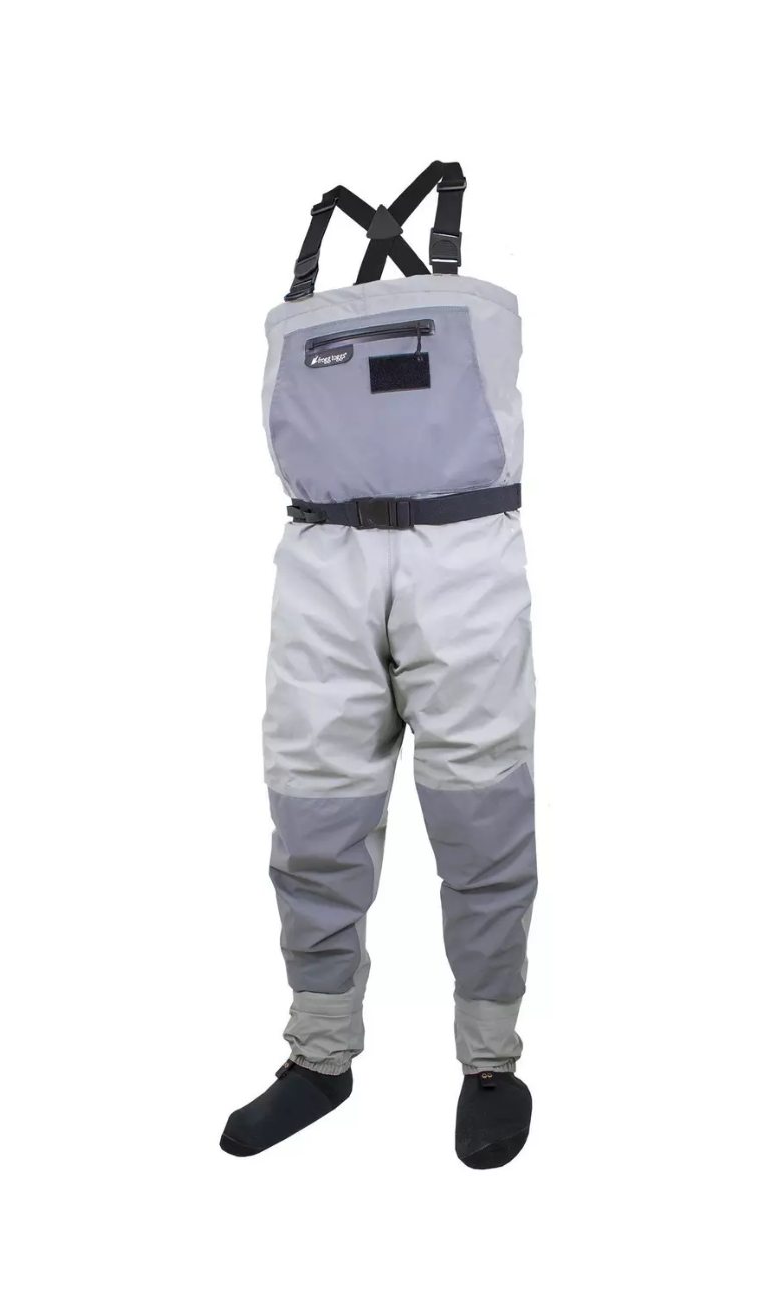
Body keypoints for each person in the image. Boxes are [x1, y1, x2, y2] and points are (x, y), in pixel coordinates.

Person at [219, 163, 539, 1167]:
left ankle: (490, 1064)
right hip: (322, 556)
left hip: (464, 553)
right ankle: (320, 1061)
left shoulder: (458, 225)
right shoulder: (307, 253)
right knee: (314, 814)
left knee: (481, 817)